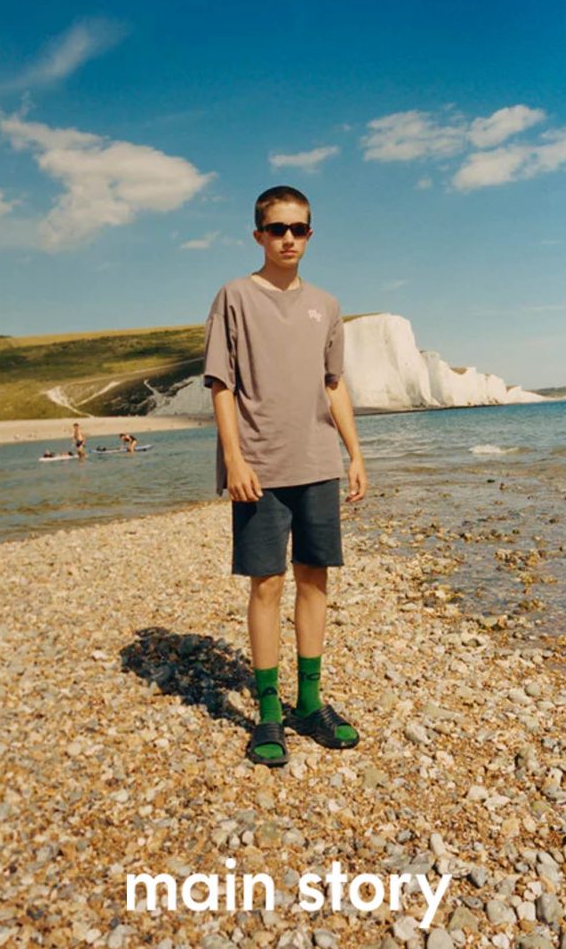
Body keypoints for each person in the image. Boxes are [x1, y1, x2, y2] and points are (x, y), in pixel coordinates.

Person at [204, 185, 367, 767]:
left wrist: (355, 453)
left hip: (318, 462)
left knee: (315, 579)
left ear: (310, 234)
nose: (289, 239)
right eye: (278, 229)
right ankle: (269, 711)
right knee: (267, 584)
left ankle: (310, 703)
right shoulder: (234, 296)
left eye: (299, 229)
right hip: (260, 466)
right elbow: (221, 385)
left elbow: (333, 384)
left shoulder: (326, 304)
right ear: (259, 235)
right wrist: (235, 459)